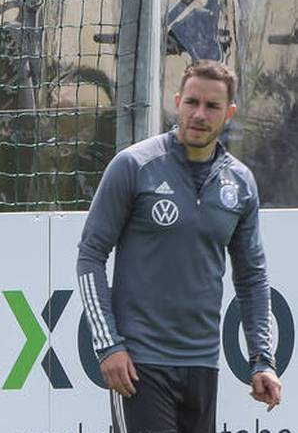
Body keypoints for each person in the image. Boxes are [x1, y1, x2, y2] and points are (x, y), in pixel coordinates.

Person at [77, 60, 282, 432]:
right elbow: (91, 256)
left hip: (202, 365)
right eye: (191, 102)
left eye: (212, 106)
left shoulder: (240, 183)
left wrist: (262, 360)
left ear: (229, 113)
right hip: (140, 365)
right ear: (177, 102)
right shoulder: (134, 165)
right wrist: (109, 345)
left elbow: (252, 278)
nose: (199, 114)